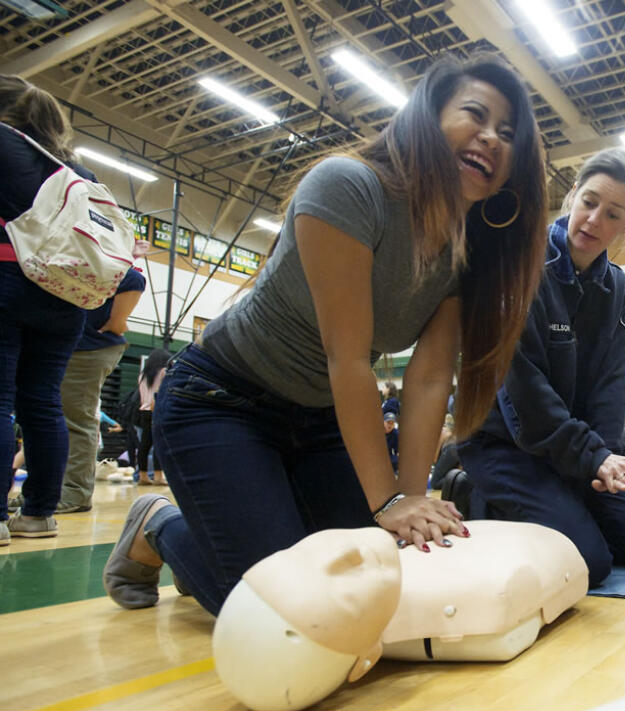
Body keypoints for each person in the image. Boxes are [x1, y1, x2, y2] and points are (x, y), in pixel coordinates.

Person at [101, 53, 548, 615]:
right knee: (292, 610)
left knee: (368, 579)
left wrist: (408, 503)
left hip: (320, 422)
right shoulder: (347, 186)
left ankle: (225, 547)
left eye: (507, 134)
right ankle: (158, 524)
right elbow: (348, 358)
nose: (491, 138)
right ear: (427, 119)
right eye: (476, 115)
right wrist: (385, 499)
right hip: (219, 403)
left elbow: (432, 378)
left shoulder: (465, 251)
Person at [459, 148, 625, 587]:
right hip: (503, 442)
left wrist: (606, 459)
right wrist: (592, 458)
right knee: (592, 562)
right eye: (589, 203)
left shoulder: (617, 286)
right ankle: (474, 493)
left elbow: (610, 384)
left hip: (561, 449)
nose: (593, 220)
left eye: (612, 214)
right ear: (571, 196)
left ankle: (556, 503)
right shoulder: (521, 264)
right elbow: (524, 392)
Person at [0, 75, 90, 542]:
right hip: (65, 295)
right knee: (42, 401)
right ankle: (38, 513)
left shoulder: (3, 144)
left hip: (7, 279)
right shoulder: (78, 172)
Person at [55, 259, 145, 512]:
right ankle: (48, 490)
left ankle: (74, 493)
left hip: (86, 347)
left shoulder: (91, 255)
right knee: (51, 418)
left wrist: (116, 322)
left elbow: (133, 279)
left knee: (75, 419)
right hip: (69, 345)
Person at [134, 347, 171, 486]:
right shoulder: (163, 372)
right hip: (156, 410)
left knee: (144, 445)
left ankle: (143, 476)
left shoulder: (143, 375)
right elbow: (158, 393)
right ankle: (158, 475)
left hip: (144, 411)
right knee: (158, 444)